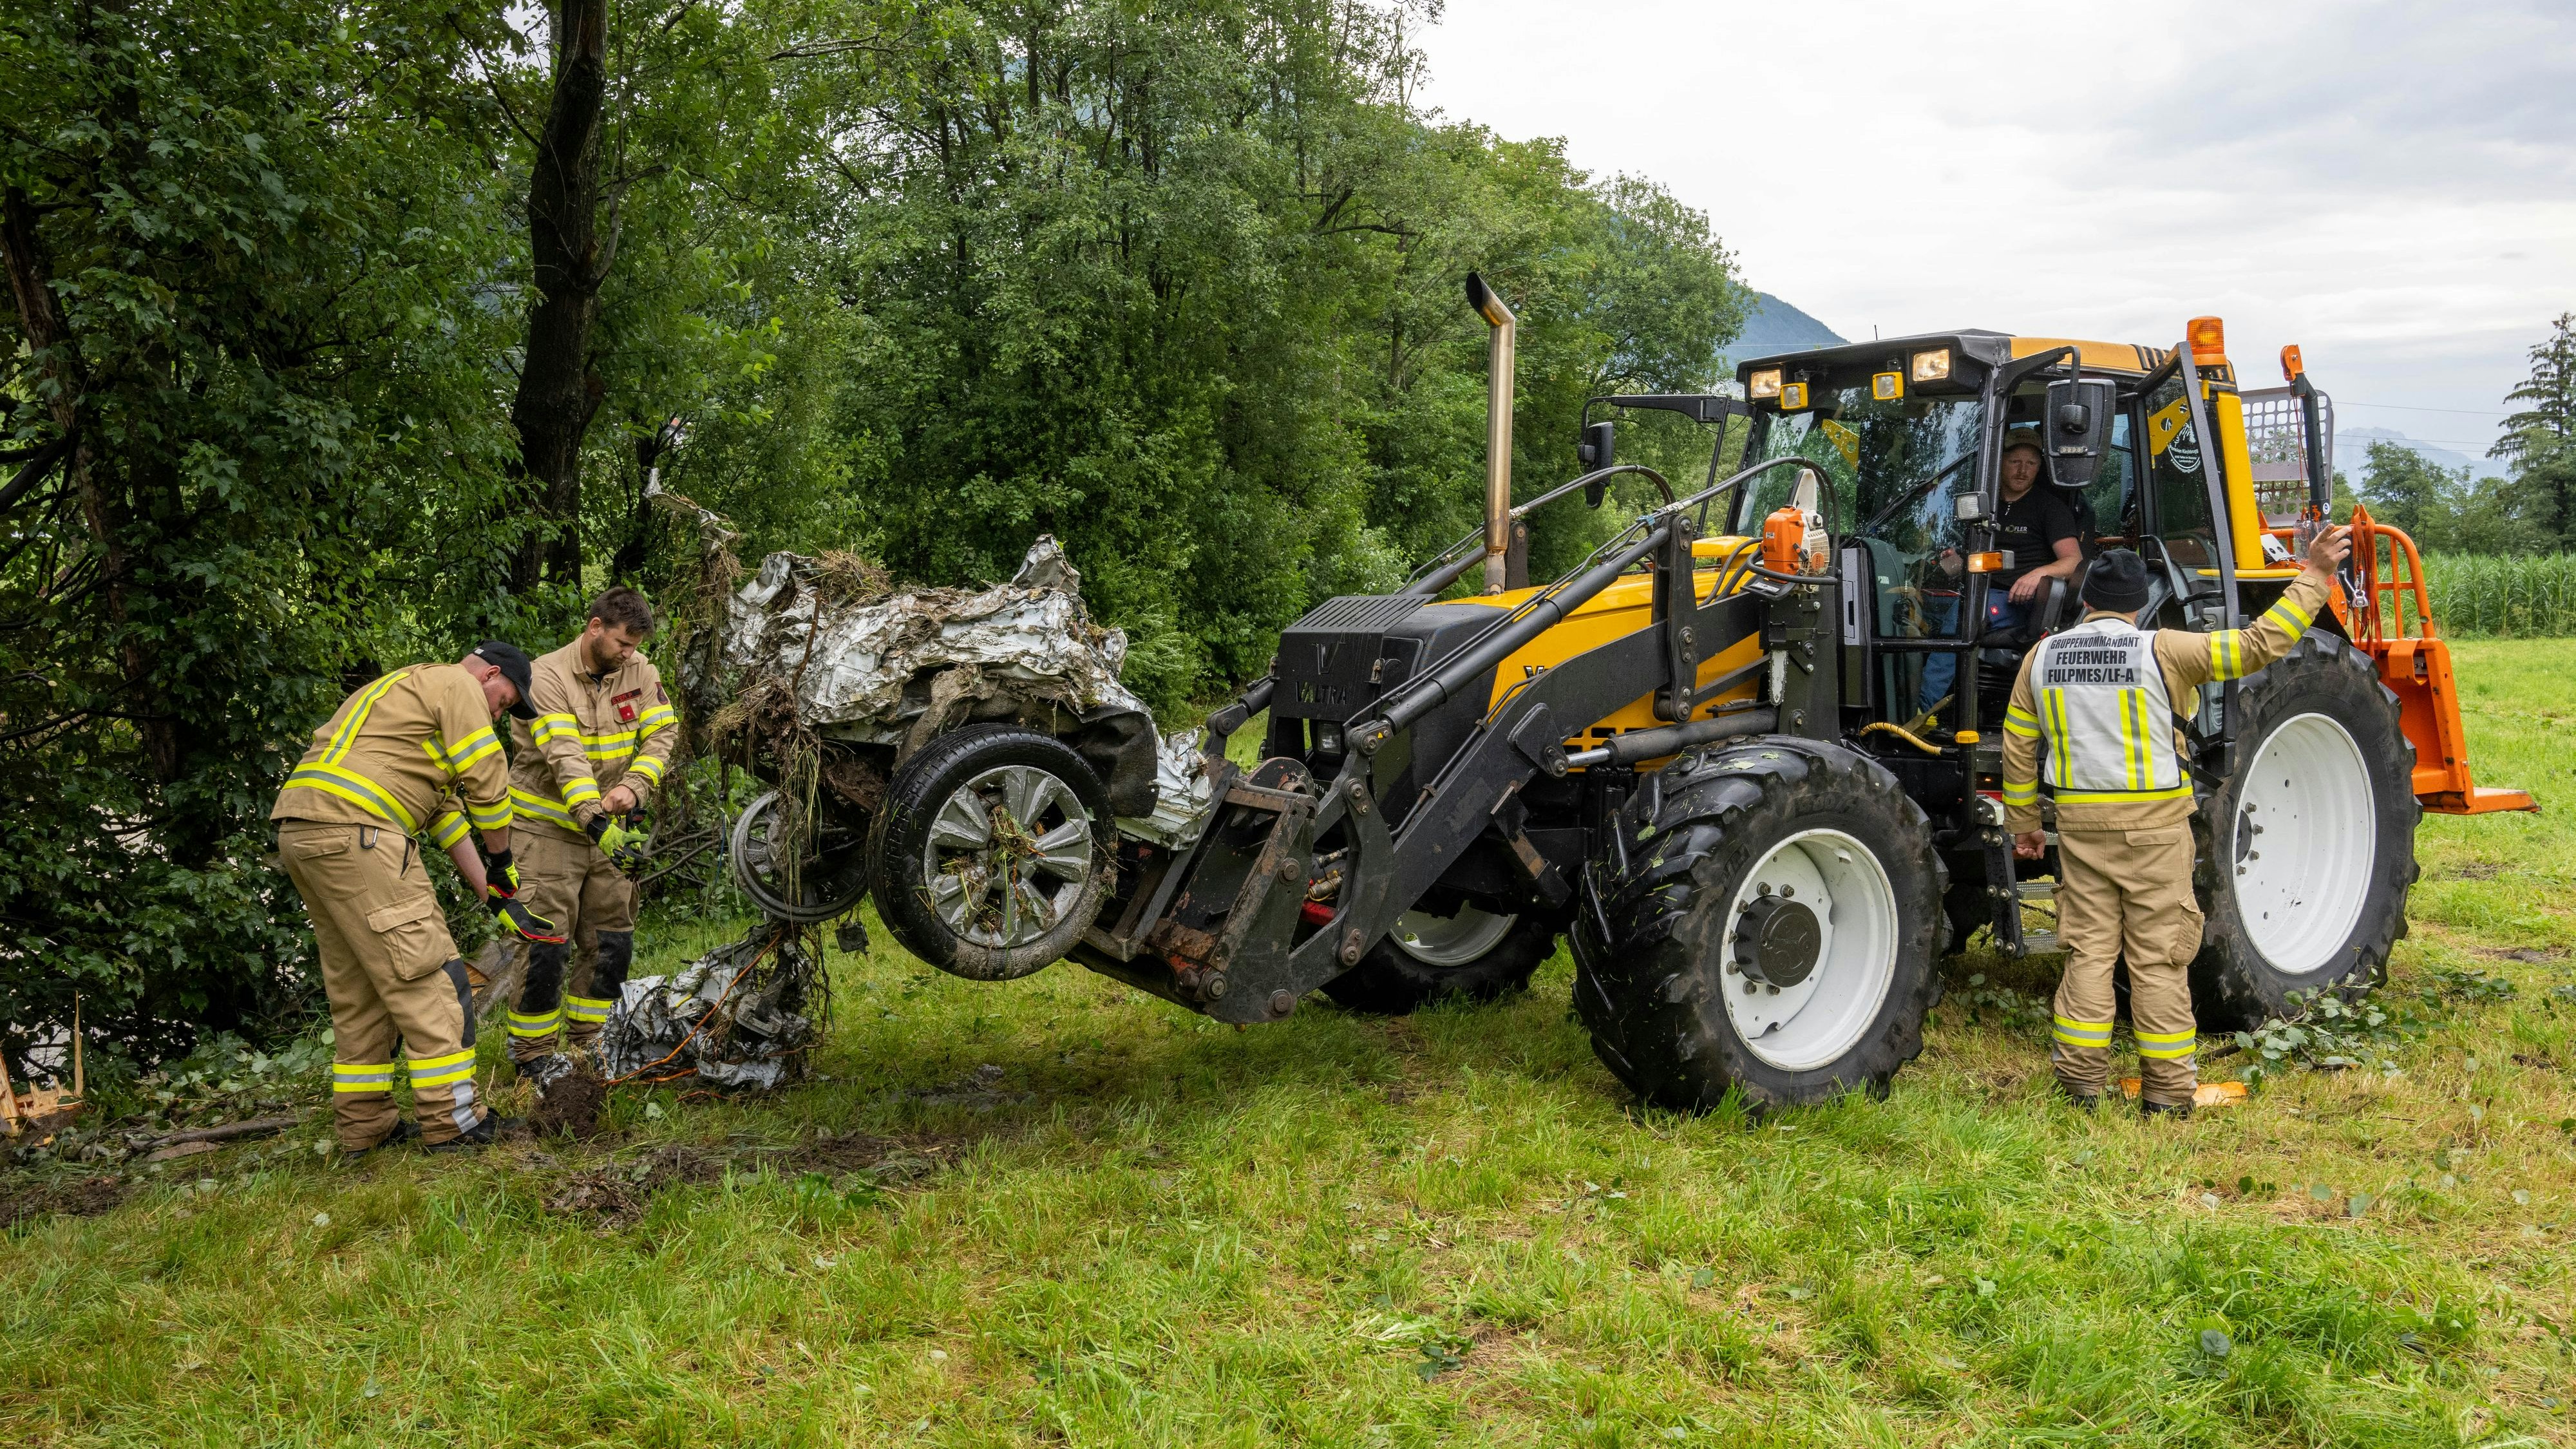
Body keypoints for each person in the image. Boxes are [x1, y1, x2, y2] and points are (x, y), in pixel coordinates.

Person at [2000, 525, 2352, 1116]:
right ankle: (2166, 1094)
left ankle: (2080, 1085)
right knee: (2159, 956)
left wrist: (2025, 825)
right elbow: (2257, 647)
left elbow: (2017, 746)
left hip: (2080, 826)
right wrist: (2313, 576)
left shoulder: (2042, 657)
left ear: (2085, 599)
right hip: (2155, 828)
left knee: (2088, 951)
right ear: (2138, 605)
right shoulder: (2164, 648)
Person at [271, 643, 566, 1155]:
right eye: (503, 703)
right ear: (490, 674)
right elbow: (487, 782)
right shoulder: (459, 687)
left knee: (359, 990)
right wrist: (503, 859)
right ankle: (454, 1122)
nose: (497, 715)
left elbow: (443, 815)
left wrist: (497, 897)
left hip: (305, 834)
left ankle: (366, 1127)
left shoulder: (402, 691)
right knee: (433, 982)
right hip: (361, 834)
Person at [504, 588, 679, 1077]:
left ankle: (592, 1048)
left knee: (610, 941)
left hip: (610, 832)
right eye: (623, 643)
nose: (629, 655)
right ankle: (534, 1057)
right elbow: (565, 755)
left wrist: (636, 785)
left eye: (636, 645)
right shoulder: (545, 677)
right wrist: (595, 819)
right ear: (595, 627)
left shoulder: (641, 671)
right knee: (544, 945)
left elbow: (664, 731)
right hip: (547, 833)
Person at [1918, 430, 2085, 715]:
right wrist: (1955, 563)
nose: (2023, 471)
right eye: (2015, 462)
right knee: (1916, 612)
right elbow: (1974, 562)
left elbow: (2074, 561)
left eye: (2031, 464)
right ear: (2000, 462)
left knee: (1961, 617)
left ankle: (1921, 712)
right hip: (1979, 591)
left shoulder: (2049, 509)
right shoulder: (1982, 507)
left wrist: (2037, 575)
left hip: (2017, 601)